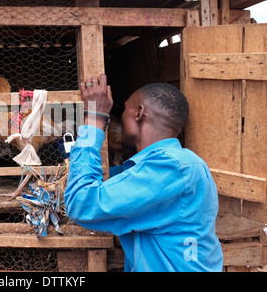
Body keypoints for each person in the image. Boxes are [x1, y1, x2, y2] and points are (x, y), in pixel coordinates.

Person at [64, 74, 223, 272]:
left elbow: (82, 203)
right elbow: (105, 182)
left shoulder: (172, 168)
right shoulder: (165, 166)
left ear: (139, 113)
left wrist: (95, 117)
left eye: (124, 110)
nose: (119, 117)